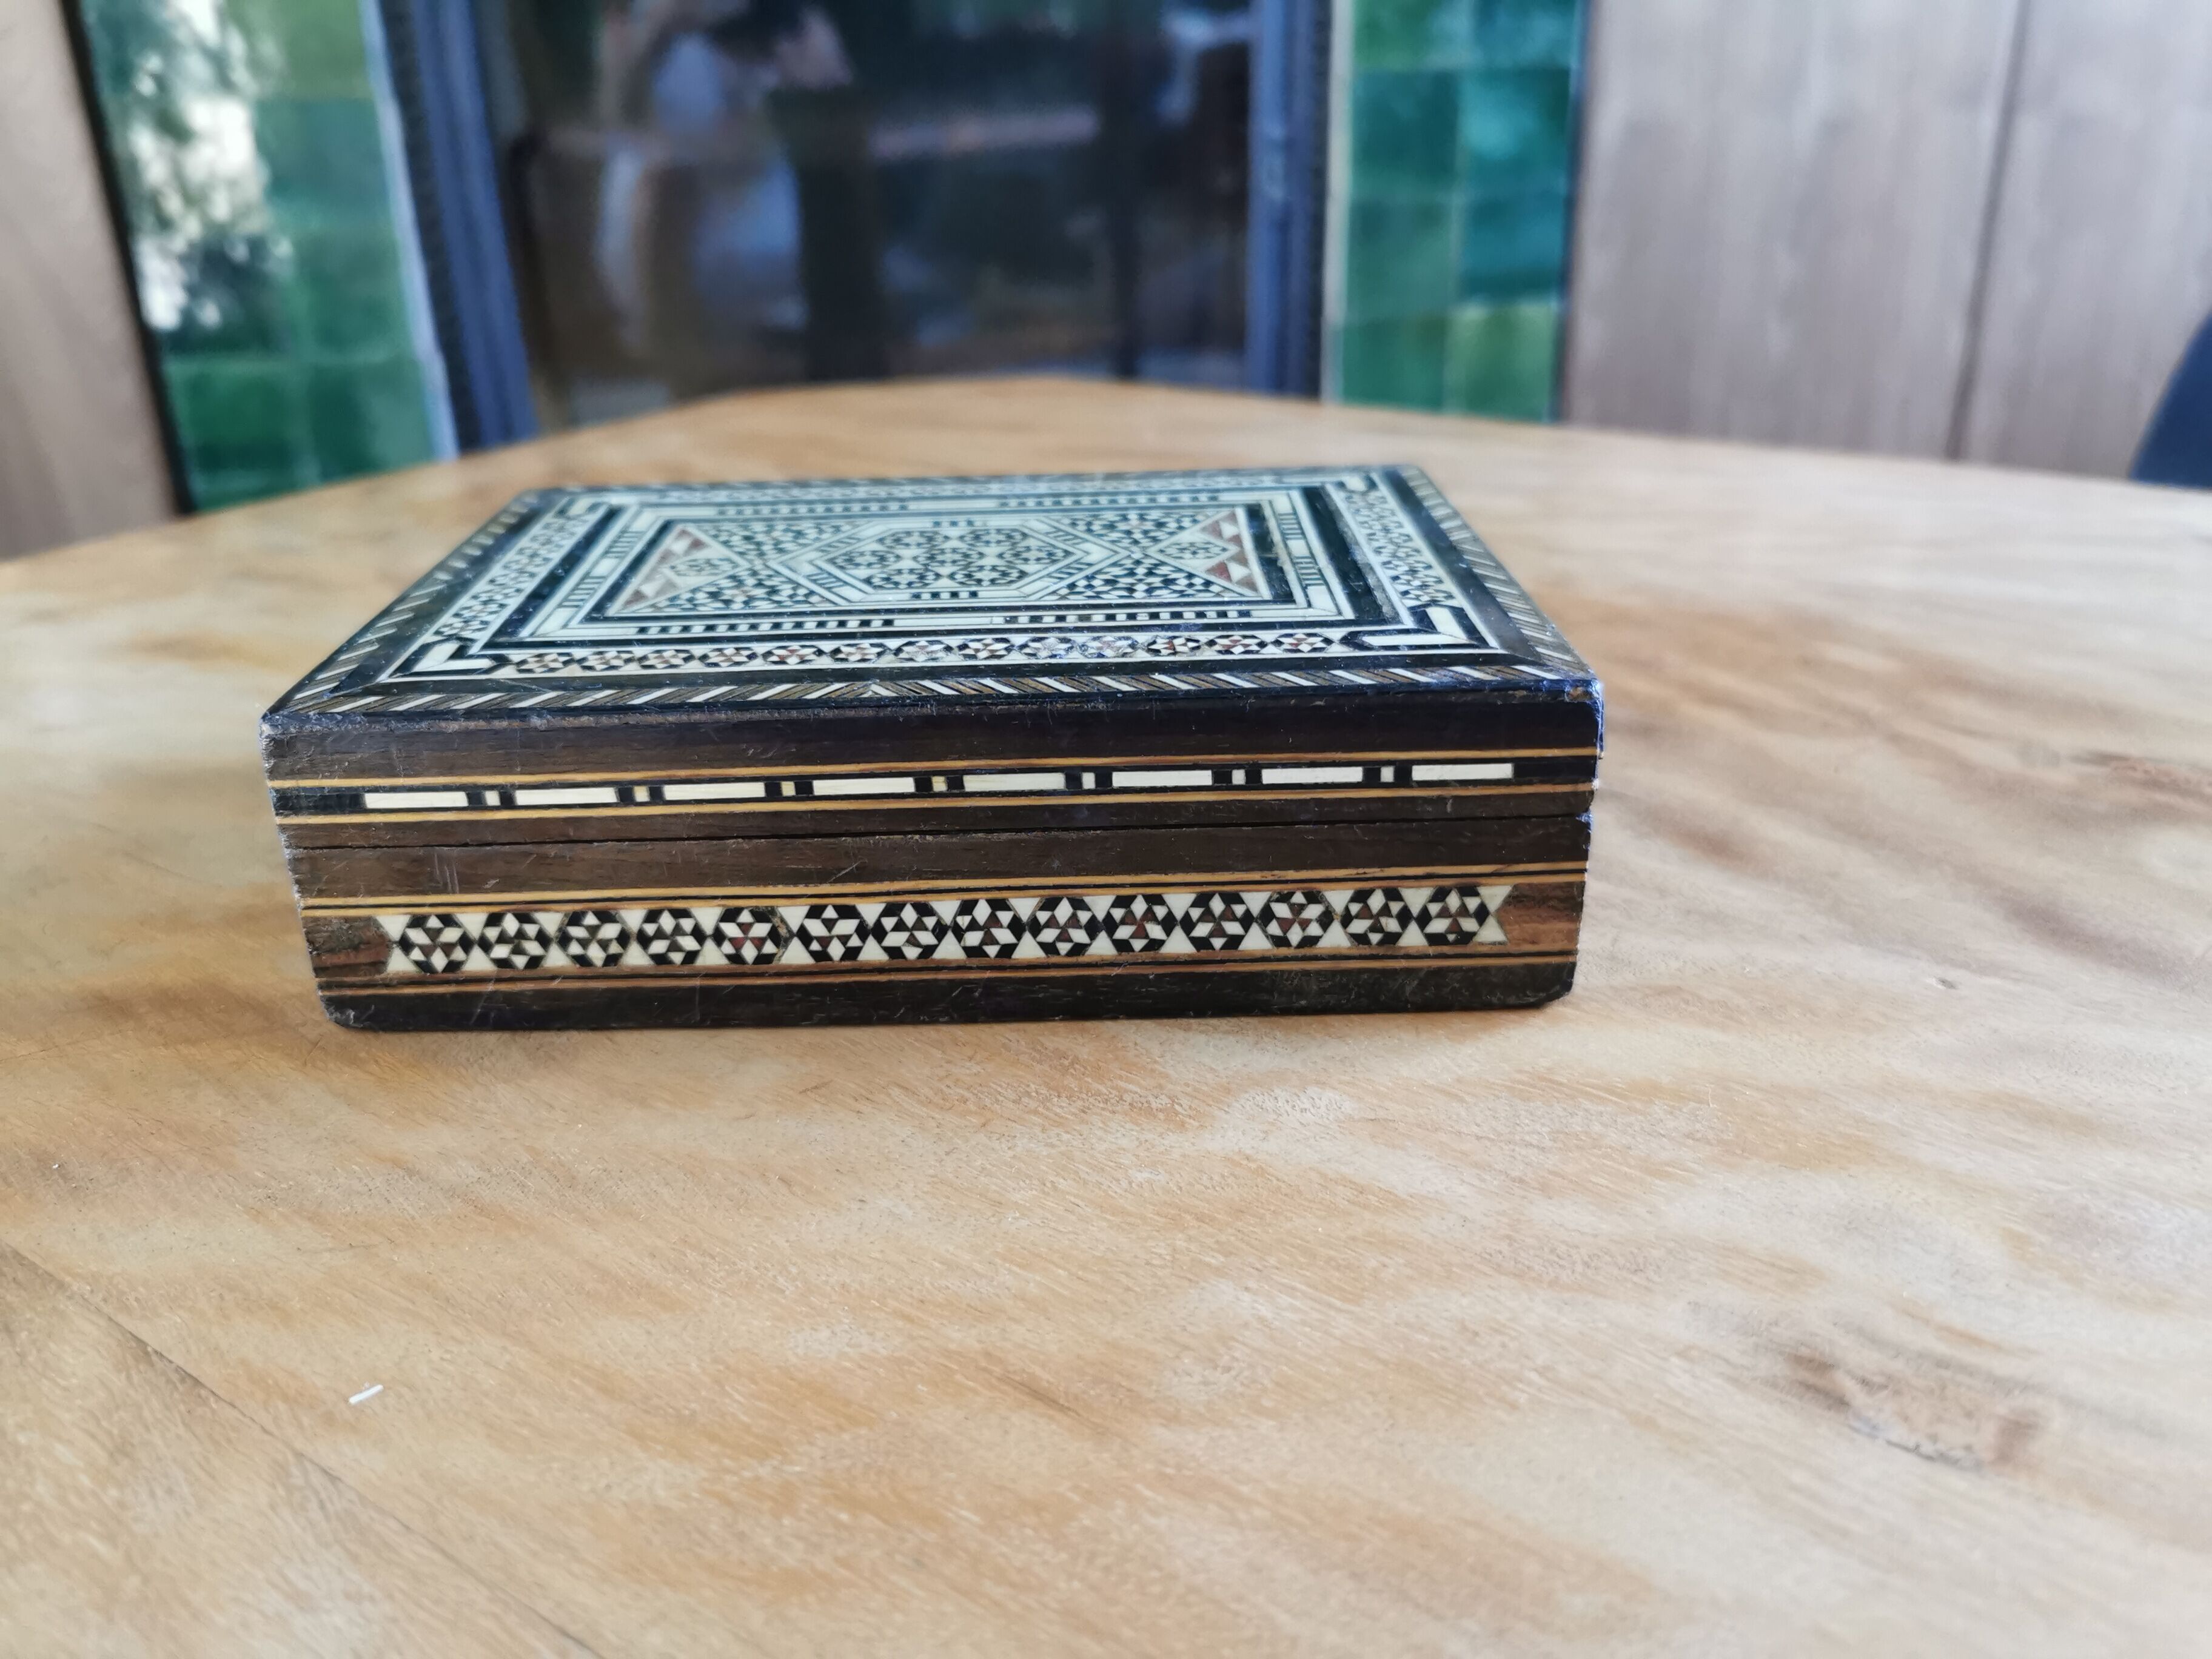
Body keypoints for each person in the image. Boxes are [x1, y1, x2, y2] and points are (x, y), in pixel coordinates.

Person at [592, 0, 853, 394]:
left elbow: (842, 117)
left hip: (786, 289)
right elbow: (611, 116)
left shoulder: (786, 26)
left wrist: (815, 80)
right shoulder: (638, 27)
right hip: (680, 297)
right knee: (664, 183)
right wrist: (660, 29)